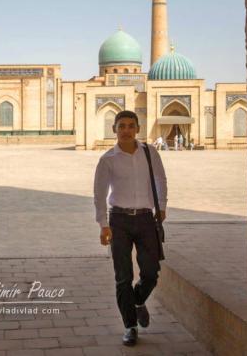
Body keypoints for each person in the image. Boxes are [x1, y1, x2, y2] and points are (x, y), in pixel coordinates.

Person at [93, 110, 168, 347]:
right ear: (114, 129)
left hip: (146, 219)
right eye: (121, 126)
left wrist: (162, 206)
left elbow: (160, 179)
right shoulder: (108, 159)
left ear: (137, 128)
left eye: (130, 126)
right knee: (123, 277)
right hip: (119, 221)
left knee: (150, 273)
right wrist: (103, 225)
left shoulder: (149, 152)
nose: (126, 130)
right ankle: (130, 326)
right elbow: (99, 194)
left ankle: (137, 301)